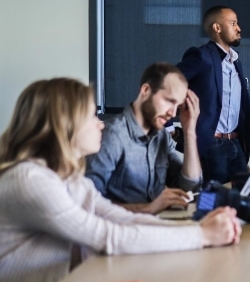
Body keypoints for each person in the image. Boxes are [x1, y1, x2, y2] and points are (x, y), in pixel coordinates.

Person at [0, 78, 241, 282]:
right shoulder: (29, 181)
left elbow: (122, 219)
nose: (101, 125)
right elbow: (108, 237)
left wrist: (196, 231)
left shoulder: (66, 179)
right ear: (64, 124)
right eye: (92, 116)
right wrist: (200, 235)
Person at [86, 62, 202, 214]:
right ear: (146, 90)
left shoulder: (161, 136)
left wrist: (190, 130)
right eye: (169, 101)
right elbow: (88, 203)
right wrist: (148, 209)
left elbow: (189, 185)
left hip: (152, 226)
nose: (173, 114)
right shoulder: (112, 135)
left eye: (178, 106)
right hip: (120, 231)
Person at [177, 5, 250, 184]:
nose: (239, 28)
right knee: (214, 199)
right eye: (233, 23)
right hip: (212, 144)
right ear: (217, 28)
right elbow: (168, 82)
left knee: (242, 195)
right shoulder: (201, 56)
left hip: (235, 143)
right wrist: (170, 127)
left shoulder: (235, 62)